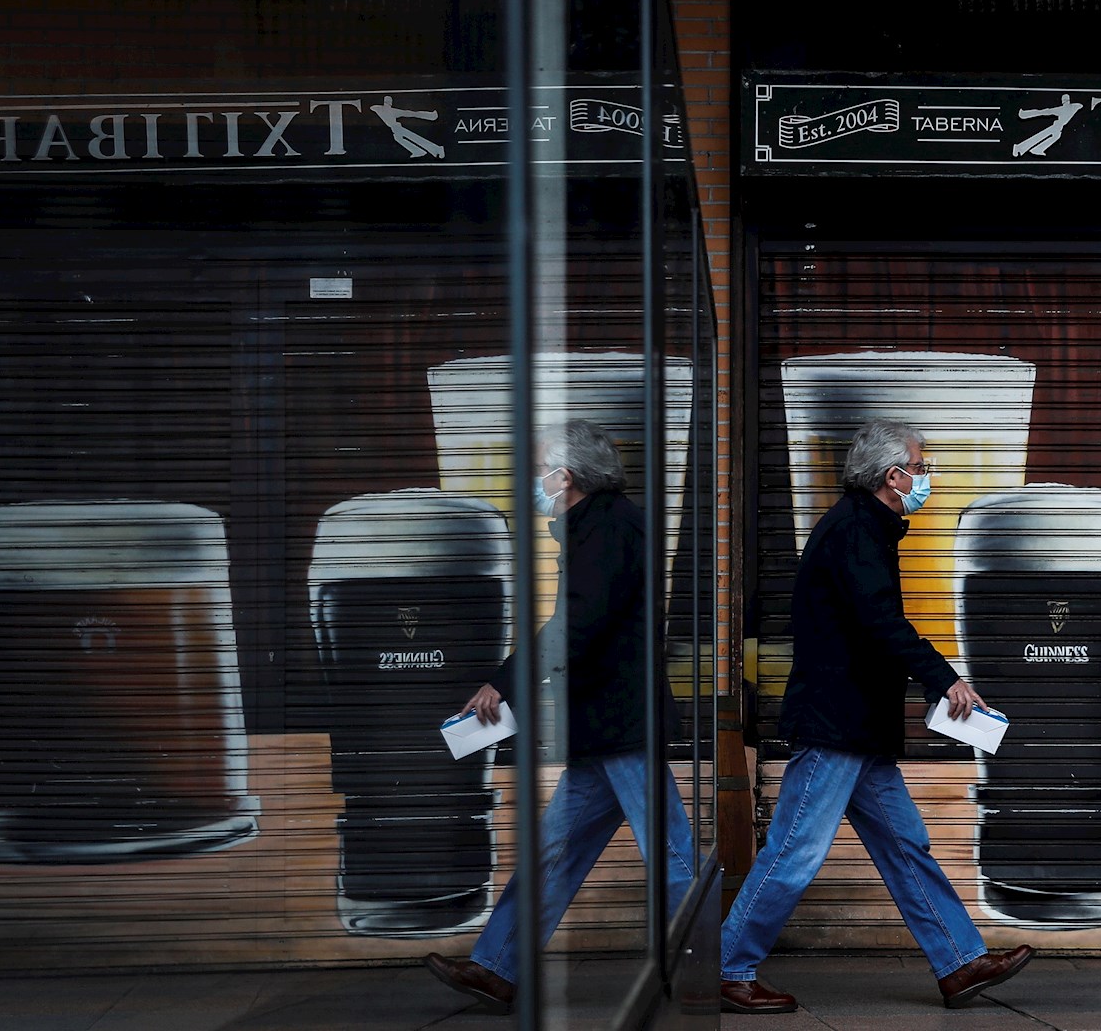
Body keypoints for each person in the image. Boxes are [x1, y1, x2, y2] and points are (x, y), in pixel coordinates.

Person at [719, 418, 1035, 1015]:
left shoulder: (864, 528)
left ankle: (959, 962)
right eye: (922, 467)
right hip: (837, 726)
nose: (927, 477)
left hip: (858, 728)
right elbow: (882, 624)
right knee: (795, 851)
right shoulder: (856, 530)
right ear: (895, 476)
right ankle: (727, 968)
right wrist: (946, 680)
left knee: (906, 846)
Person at [425, 419, 696, 1013]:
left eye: (540, 468)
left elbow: (578, 622)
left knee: (672, 855)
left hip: (623, 723)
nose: (534, 482)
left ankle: (712, 970)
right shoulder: (599, 525)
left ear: (565, 474)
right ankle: (498, 966)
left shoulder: (608, 526)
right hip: (604, 725)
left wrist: (505, 682)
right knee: (555, 852)